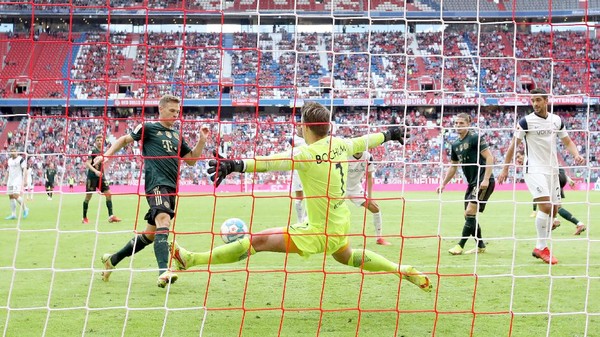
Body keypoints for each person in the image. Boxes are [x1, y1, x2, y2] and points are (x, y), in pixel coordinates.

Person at [170, 102, 432, 293]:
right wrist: (390, 134)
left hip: (317, 231)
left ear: (306, 127)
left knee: (258, 241)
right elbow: (366, 140)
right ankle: (402, 269)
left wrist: (235, 165)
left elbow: (269, 163)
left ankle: (191, 259)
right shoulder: (341, 144)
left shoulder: (305, 155)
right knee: (346, 256)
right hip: (339, 221)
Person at [96, 94, 210, 288]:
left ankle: (112, 260)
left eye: (177, 111)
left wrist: (202, 141)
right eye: (172, 111)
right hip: (155, 184)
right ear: (161, 109)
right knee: (164, 220)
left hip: (171, 188)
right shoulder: (148, 127)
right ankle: (163, 271)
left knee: (150, 235)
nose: (176, 115)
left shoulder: (176, 135)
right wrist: (106, 155)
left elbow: (191, 160)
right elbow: (124, 140)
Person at [498, 88, 585, 265]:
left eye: (538, 100)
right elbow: (513, 146)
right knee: (546, 206)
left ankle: (543, 237)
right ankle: (541, 247)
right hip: (534, 169)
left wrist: (575, 154)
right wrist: (505, 169)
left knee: (554, 209)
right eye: (533, 101)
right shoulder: (525, 122)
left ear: (546, 100)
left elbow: (567, 141)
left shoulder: (556, 120)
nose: (535, 104)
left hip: (552, 169)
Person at [437, 113, 495, 255]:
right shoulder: (455, 144)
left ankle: (460, 245)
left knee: (470, 212)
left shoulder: (475, 137)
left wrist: (486, 179)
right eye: (456, 123)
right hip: (471, 184)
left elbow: (489, 157)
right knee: (468, 215)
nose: (458, 126)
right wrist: (443, 184)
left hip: (482, 182)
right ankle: (480, 246)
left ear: (469, 123)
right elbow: (453, 166)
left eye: (461, 123)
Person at [519, 152, 586, 235]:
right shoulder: (536, 156)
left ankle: (572, 223)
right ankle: (557, 220)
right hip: (559, 175)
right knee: (555, 204)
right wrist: (568, 179)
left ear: (524, 155)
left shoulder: (532, 159)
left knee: (547, 201)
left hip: (554, 176)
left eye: (519, 156)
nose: (518, 159)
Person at [346, 150, 391, 245]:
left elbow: (369, 176)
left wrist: (370, 197)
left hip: (355, 189)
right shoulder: (345, 154)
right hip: (339, 187)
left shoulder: (368, 156)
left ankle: (379, 238)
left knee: (375, 208)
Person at [82, 135, 122, 224]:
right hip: (92, 176)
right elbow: (87, 164)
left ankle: (111, 216)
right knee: (88, 197)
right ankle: (84, 217)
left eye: (101, 140)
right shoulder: (92, 150)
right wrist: (95, 171)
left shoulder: (103, 152)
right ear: (95, 141)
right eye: (98, 140)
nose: (100, 141)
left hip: (101, 176)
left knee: (108, 194)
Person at [4, 148, 29, 220]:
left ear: (17, 152)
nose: (13, 152)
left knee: (16, 195)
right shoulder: (9, 160)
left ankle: (25, 208)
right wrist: (4, 180)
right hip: (10, 180)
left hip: (17, 180)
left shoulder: (20, 159)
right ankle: (13, 214)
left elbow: (25, 170)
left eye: (14, 151)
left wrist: (25, 180)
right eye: (12, 151)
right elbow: (8, 171)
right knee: (11, 196)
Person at [289, 134, 307, 223]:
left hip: (309, 170)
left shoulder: (311, 136)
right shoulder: (292, 139)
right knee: (299, 197)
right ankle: (300, 221)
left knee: (310, 196)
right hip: (297, 171)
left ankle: (306, 219)